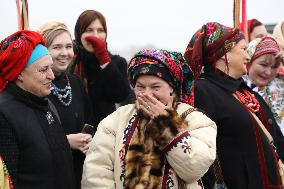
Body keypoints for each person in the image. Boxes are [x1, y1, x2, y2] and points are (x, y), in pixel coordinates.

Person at [81, 49, 217, 189]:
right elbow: (96, 174)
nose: (147, 94)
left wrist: (165, 124)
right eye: (140, 87)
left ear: (171, 87)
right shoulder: (115, 121)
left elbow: (195, 168)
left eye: (155, 87)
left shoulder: (195, 119)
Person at [184, 22, 284, 189]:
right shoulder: (204, 91)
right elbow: (203, 155)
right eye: (243, 49)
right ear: (225, 54)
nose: (247, 56)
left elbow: (277, 140)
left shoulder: (245, 91)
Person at [0, 30, 75, 189]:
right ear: (19, 74)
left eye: (50, 68)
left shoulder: (46, 103)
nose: (52, 76)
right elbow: (8, 180)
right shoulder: (4, 115)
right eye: (43, 70)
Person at [38, 21, 95, 189]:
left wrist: (89, 139)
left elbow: (90, 119)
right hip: (49, 176)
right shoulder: (35, 87)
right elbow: (31, 135)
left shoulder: (75, 83)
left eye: (68, 46)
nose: (65, 53)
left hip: (78, 173)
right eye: (56, 47)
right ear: (43, 50)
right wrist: (66, 141)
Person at [70, 9, 131, 127]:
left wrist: (104, 59)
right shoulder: (70, 62)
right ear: (79, 34)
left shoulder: (117, 63)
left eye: (100, 30)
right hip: (74, 135)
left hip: (105, 134)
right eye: (89, 30)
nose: (95, 36)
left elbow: (120, 95)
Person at [244, 36, 284, 134]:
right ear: (249, 61)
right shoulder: (235, 86)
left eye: (274, 66)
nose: (268, 72)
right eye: (263, 65)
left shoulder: (280, 84)